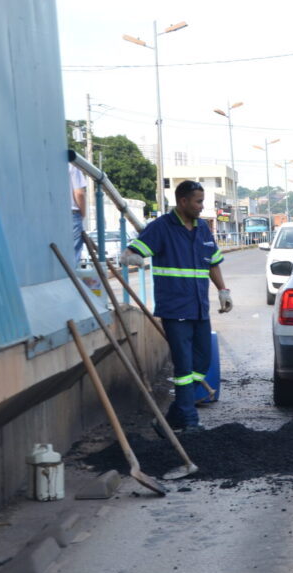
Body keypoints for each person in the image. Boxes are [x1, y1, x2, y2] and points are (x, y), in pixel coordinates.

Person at [120, 180, 233, 434]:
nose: (201, 207)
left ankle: (172, 417)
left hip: (199, 307)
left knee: (201, 363)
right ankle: (190, 420)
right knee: (183, 366)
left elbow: (212, 262)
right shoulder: (161, 228)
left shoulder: (202, 228)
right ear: (182, 201)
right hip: (175, 308)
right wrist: (131, 257)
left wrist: (223, 291)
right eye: (198, 201)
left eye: (202, 201)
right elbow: (129, 253)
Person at [68, 151, 87, 264]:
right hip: (72, 213)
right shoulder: (72, 164)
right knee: (73, 254)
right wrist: (83, 213)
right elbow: (79, 193)